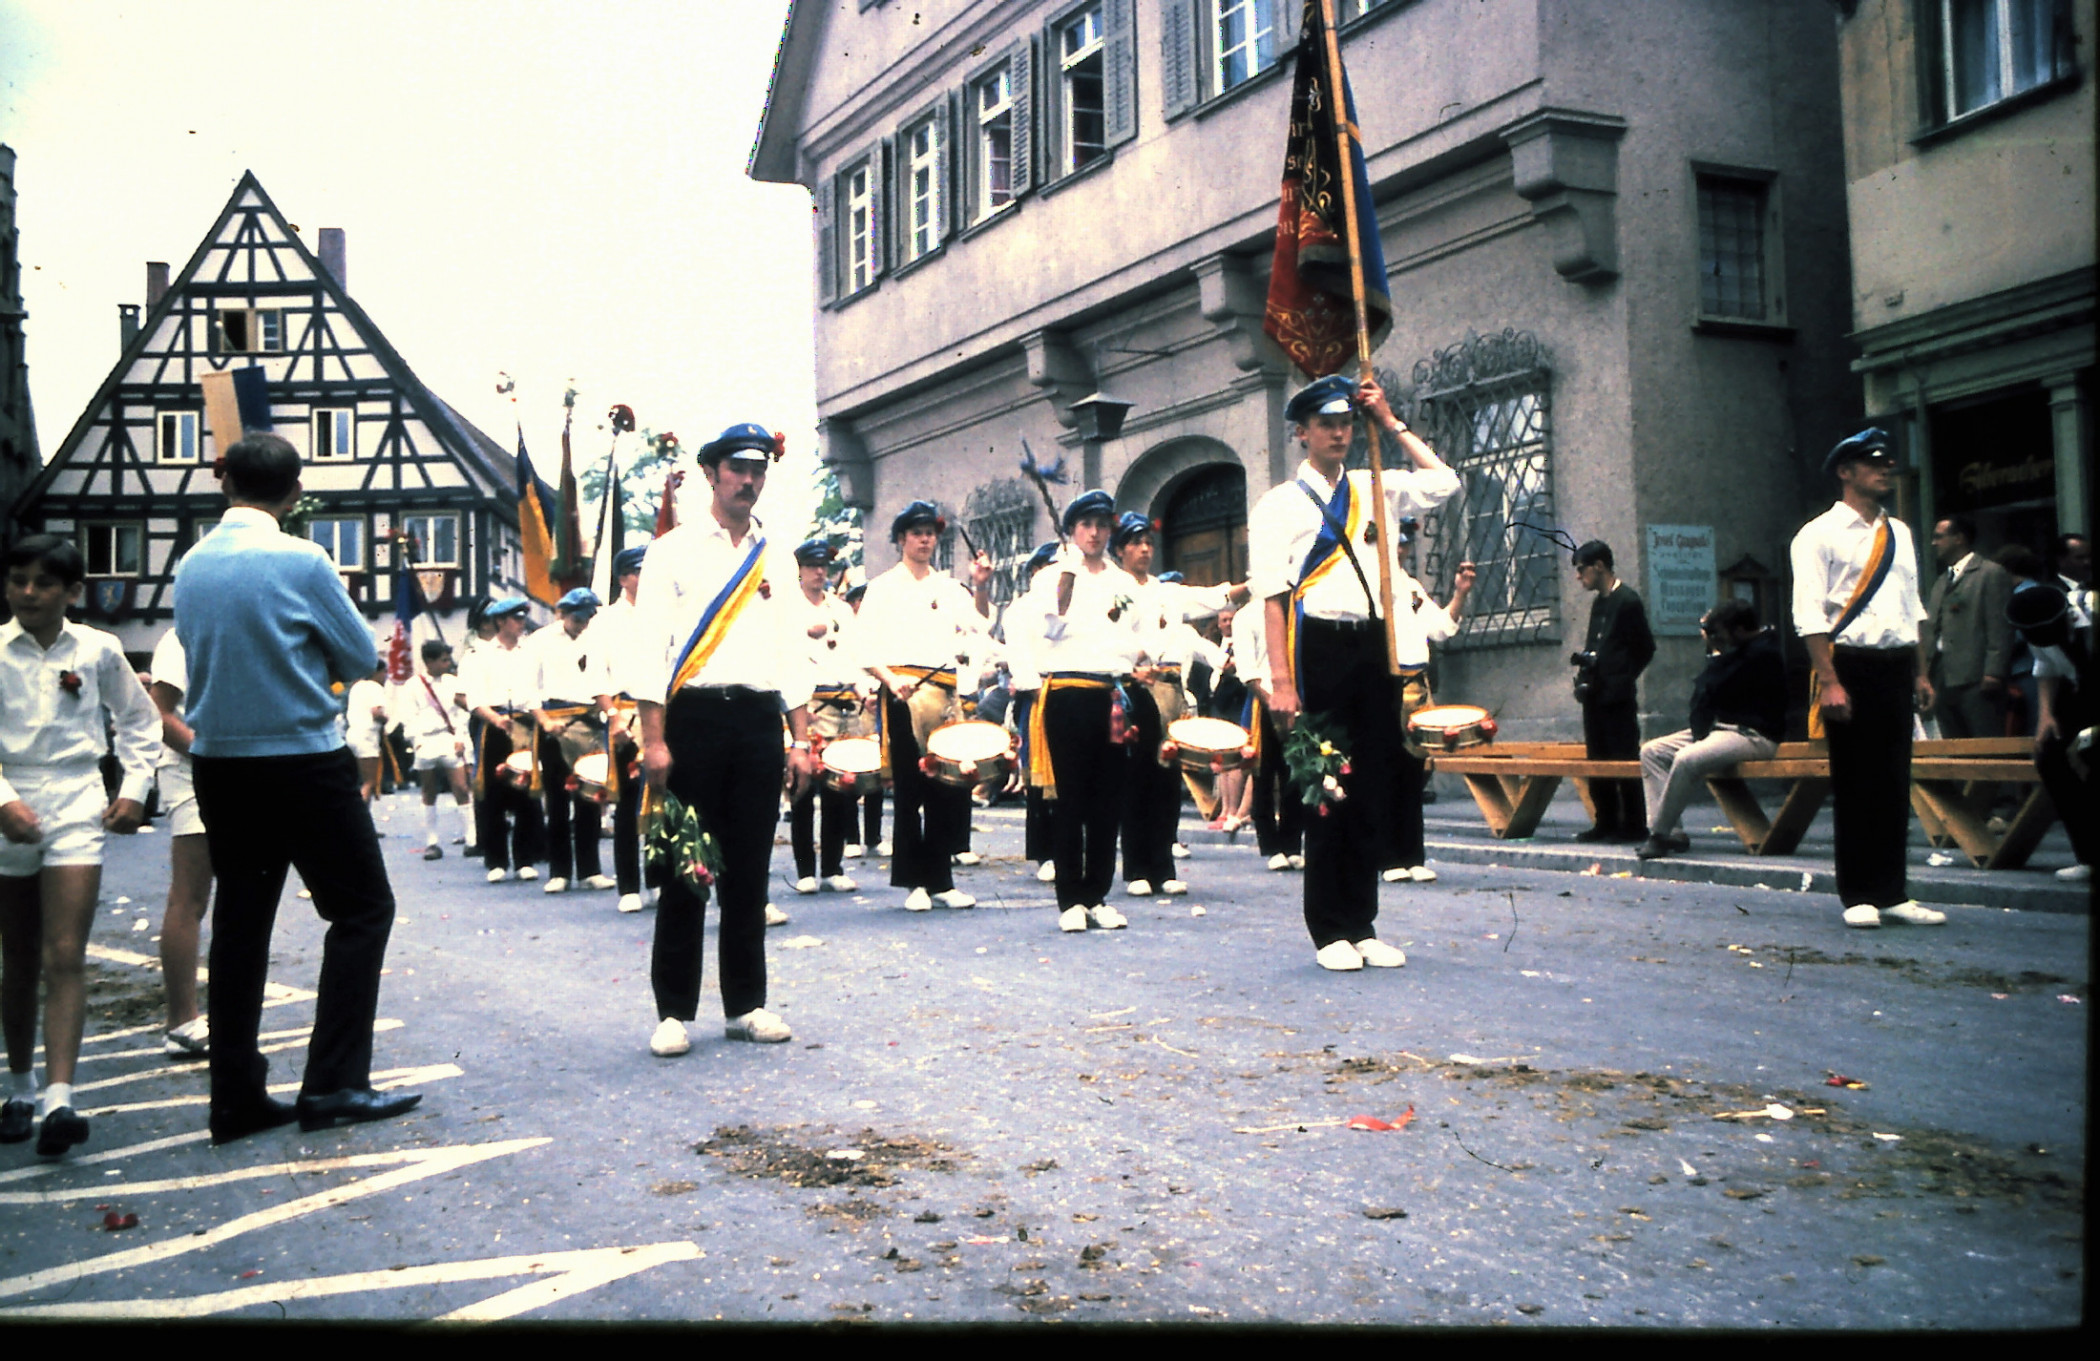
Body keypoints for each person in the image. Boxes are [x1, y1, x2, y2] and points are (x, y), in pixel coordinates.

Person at [174, 433, 422, 1142]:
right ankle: (334, 1081)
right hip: (302, 757)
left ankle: (234, 1095)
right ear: (294, 492)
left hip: (221, 760)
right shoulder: (304, 559)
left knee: (241, 922)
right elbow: (360, 655)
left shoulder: (190, 563)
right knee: (362, 910)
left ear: (225, 483)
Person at [1251, 373, 1458, 971]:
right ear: (1302, 433)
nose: (1339, 433)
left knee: (1370, 788)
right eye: (1326, 425)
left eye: (1346, 423)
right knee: (1325, 787)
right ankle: (1329, 930)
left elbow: (1444, 482)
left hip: (1374, 645)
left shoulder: (1375, 483)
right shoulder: (1279, 504)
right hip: (1316, 647)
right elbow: (1272, 598)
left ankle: (1362, 923)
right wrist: (1282, 682)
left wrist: (1388, 422)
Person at [624, 421, 817, 1056]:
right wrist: (655, 741)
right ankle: (674, 1011)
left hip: (757, 720)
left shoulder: (775, 556)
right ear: (711, 474)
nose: (749, 480)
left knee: (750, 868)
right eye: (737, 469)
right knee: (688, 866)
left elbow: (791, 652)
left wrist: (799, 739)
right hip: (694, 721)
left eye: (758, 470)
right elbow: (649, 652)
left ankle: (746, 1004)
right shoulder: (671, 551)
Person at [0, 536, 158, 1155]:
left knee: (65, 952)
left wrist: (135, 789)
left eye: (43, 583)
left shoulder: (98, 649)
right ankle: (19, 1087)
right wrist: (3, 801)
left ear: (71, 592)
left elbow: (139, 720)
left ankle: (59, 1099)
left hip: (74, 797)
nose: (28, 593)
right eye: (18, 580)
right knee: (17, 957)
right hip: (11, 796)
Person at [1790, 426, 1943, 929]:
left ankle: (1893, 891)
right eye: (1873, 464)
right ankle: (1858, 893)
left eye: (1886, 463)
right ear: (1845, 472)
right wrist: (1830, 681)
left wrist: (1921, 673)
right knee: (1856, 780)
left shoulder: (1899, 533)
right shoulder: (1817, 534)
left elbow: (1912, 608)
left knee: (1894, 778)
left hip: (1896, 664)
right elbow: (1810, 615)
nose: (1884, 470)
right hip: (1849, 665)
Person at [854, 500, 992, 913]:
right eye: (916, 533)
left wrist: (981, 585)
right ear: (901, 539)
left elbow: (979, 625)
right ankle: (914, 881)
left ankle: (941, 881)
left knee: (946, 788)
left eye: (930, 533)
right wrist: (890, 680)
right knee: (911, 789)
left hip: (944, 693)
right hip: (904, 692)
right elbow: (863, 647)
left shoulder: (948, 587)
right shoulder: (883, 587)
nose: (925, 540)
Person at [1109, 513, 1248, 899]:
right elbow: (1109, 635)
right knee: (1139, 777)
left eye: (1148, 543)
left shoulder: (1166, 592)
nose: (1144, 550)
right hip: (1137, 687)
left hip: (1171, 690)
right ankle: (1137, 868)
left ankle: (1163, 866)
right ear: (1120, 550)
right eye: (1135, 543)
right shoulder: (1113, 588)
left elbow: (1213, 596)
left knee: (1169, 777)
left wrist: (1254, 586)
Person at [1027, 490, 1147, 931]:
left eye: (1101, 525)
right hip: (1068, 693)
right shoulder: (1052, 576)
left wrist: (1133, 660)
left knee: (1107, 799)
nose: (1094, 533)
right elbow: (1050, 627)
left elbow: (1139, 633)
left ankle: (1097, 894)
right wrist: (1068, 577)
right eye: (1085, 525)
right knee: (1071, 798)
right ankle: (1070, 900)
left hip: (1110, 693)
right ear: (1072, 531)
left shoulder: (1122, 582)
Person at [1634, 599, 1787, 860]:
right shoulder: (1740, 650)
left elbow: (1712, 688)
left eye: (1721, 634)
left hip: (1752, 735)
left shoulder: (1764, 652)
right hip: (1720, 730)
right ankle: (1673, 833)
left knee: (1686, 759)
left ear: (1740, 630)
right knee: (1652, 751)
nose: (1718, 640)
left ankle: (1658, 835)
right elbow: (1703, 701)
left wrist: (1715, 653)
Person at [1381, 523, 1474, 883]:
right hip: (1385, 682)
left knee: (1414, 770)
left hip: (1416, 685)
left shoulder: (1411, 589)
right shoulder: (1371, 586)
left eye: (1404, 544)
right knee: (1387, 771)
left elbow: (1440, 627)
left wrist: (1459, 593)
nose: (1400, 550)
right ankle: (1388, 858)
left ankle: (1412, 855)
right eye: (1395, 543)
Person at [147, 628, 213, 1059]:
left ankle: (230, 1013)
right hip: (192, 770)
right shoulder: (181, 636)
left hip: (244, 768)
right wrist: (208, 756)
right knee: (190, 895)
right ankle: (181, 1021)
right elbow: (159, 714)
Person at [530, 587, 615, 895]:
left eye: (587, 619)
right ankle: (559, 871)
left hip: (589, 721)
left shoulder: (597, 638)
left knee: (590, 797)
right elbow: (529, 687)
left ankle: (590, 870)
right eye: (577, 619)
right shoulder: (540, 640)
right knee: (557, 799)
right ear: (562, 614)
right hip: (556, 721)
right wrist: (544, 721)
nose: (582, 625)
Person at [1570, 540, 1654, 842]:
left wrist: (1622, 676)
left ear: (1599, 566)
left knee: (1623, 758)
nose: (1579, 577)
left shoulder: (1627, 601)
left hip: (1616, 695)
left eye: (1582, 570)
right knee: (1598, 757)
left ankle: (1633, 824)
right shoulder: (1599, 603)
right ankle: (1605, 821)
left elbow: (1645, 647)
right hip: (1595, 692)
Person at [790, 538, 859, 896]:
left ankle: (832, 867)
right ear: (799, 570)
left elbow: (855, 653)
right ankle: (805, 869)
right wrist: (803, 632)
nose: (819, 572)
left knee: (840, 789)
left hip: (842, 700)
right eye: (812, 566)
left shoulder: (841, 609)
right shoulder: (787, 606)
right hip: (806, 702)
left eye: (824, 566)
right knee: (802, 788)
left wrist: (863, 689)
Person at [460, 597, 546, 884]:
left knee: (526, 790)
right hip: (493, 723)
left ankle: (525, 859)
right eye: (516, 618)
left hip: (523, 722)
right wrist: (496, 720)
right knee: (492, 792)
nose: (521, 623)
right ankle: (496, 860)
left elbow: (536, 691)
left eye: (523, 618)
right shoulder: (478, 655)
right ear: (500, 621)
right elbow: (474, 699)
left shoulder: (530, 653)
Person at [591, 544, 653, 914]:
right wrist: (612, 715)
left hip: (661, 712)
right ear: (624, 578)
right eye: (639, 571)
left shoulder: (664, 612)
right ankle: (629, 886)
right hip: (626, 712)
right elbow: (597, 673)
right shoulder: (606, 620)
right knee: (628, 803)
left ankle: (659, 880)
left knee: (663, 797)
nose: (646, 578)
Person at [1922, 514, 2013, 740]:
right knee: (1953, 741)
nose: (1934, 543)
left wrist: (1994, 671)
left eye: (1939, 537)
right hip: (1942, 674)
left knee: (1985, 740)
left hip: (1976, 675)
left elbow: (1999, 626)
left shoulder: (1989, 573)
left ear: (1959, 538)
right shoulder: (1941, 581)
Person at [1005, 542, 1061, 884]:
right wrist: (1039, 689)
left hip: (1075, 690)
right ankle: (1046, 852)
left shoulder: (1075, 603)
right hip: (1040, 694)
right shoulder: (1021, 610)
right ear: (1036, 572)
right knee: (1040, 778)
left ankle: (1074, 848)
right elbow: (1020, 659)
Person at [401, 640, 475, 861]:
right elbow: (408, 717)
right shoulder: (413, 685)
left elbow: (462, 714)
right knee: (429, 791)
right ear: (429, 661)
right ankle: (432, 842)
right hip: (426, 741)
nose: (447, 664)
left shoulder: (453, 682)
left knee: (461, 788)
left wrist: (460, 738)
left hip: (448, 738)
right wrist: (417, 742)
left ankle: (471, 839)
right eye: (443, 660)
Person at [345, 662, 389, 803]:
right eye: (385, 672)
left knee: (354, 781)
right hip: (367, 736)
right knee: (369, 781)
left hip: (351, 733)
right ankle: (362, 811)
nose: (386, 676)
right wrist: (387, 719)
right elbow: (376, 712)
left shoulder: (356, 686)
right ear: (377, 672)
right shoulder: (375, 687)